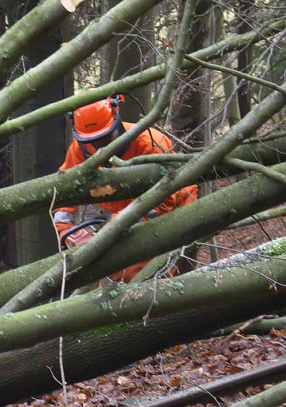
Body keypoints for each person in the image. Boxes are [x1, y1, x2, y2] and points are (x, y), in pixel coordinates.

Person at [54, 95, 198, 282]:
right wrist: (66, 230)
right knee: (113, 272)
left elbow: (162, 201)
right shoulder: (81, 148)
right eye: (94, 141)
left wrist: (119, 222)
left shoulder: (149, 143)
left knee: (141, 272)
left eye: (105, 138)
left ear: (116, 121)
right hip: (122, 215)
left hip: (171, 207)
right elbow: (66, 189)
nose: (100, 147)